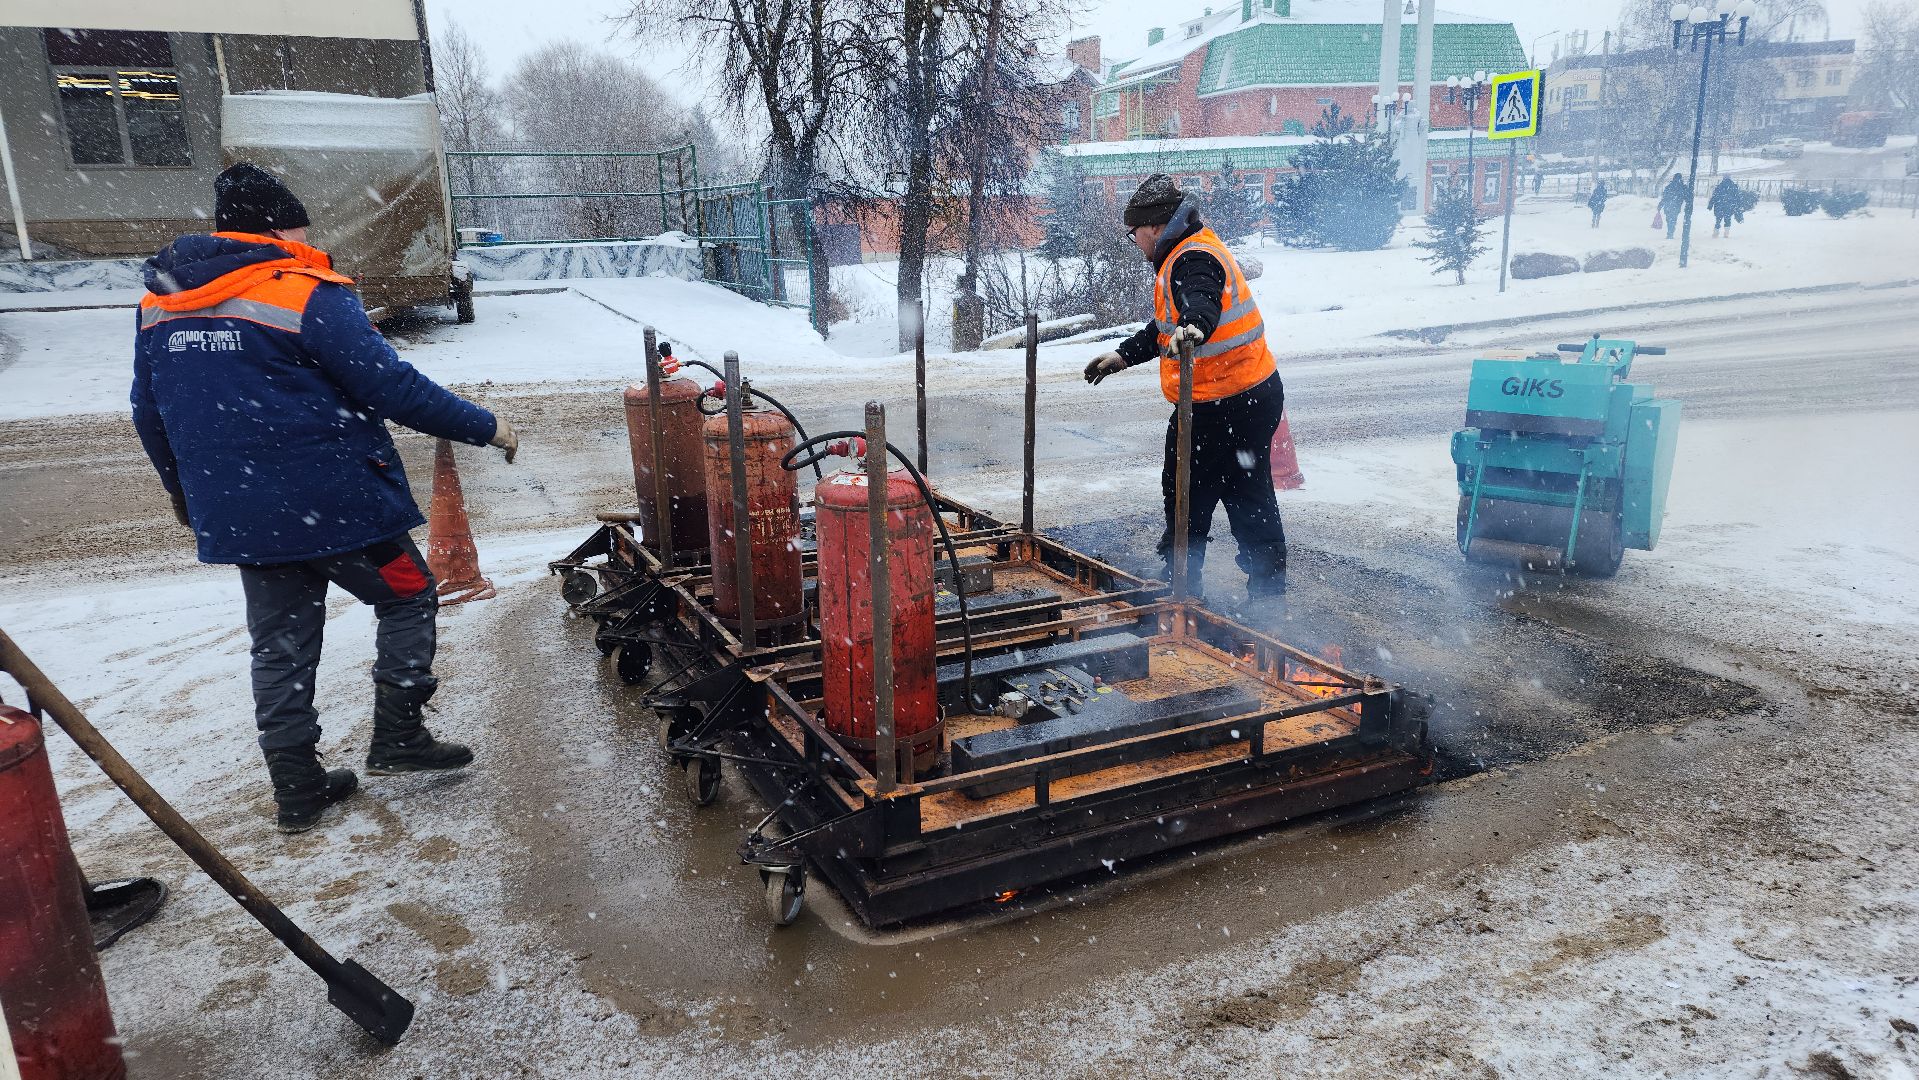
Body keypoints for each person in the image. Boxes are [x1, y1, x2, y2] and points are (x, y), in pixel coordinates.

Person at [131, 163, 519, 834]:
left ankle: (297, 785)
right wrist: (484, 425)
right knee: (407, 595)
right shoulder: (305, 291)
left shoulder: (160, 302)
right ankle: (398, 736)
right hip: (343, 511)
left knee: (278, 644)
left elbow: (148, 410)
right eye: (300, 222)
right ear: (279, 226)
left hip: (246, 515)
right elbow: (391, 387)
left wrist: (182, 492)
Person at [1082, 175, 1287, 606]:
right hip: (1242, 395)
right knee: (1227, 489)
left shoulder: (1192, 259)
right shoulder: (1185, 251)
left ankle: (1197, 587)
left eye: (1134, 232)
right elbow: (1164, 331)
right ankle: (1247, 590)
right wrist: (1123, 356)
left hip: (1229, 401)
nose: (1134, 241)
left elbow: (1202, 302)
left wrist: (1195, 326)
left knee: (1208, 490)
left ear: (1154, 227)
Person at [1659, 174, 1690, 239]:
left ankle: (1670, 233)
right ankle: (1670, 233)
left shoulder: (1669, 186)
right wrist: (1688, 204)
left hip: (1667, 207)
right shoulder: (1683, 187)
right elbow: (1687, 197)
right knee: (1673, 220)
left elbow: (1664, 197)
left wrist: (1660, 205)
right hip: (1676, 207)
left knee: (1669, 220)